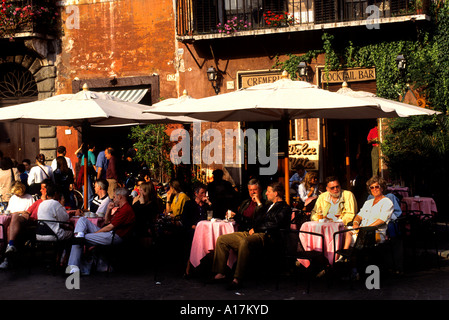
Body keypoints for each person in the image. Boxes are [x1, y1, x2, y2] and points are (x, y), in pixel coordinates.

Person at [212, 181, 291, 289]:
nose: (266, 194)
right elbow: (256, 219)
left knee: (245, 242)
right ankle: (220, 273)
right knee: (222, 239)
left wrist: (257, 228)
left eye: (268, 191)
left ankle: (237, 278)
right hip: (253, 232)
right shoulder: (268, 205)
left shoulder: (284, 208)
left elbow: (274, 224)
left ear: (276, 193)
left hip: (266, 236)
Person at [67, 187, 136, 274]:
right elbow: (107, 221)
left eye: (114, 197)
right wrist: (108, 209)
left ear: (120, 197)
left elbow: (109, 227)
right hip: (111, 233)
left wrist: (94, 234)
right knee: (82, 220)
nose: (113, 199)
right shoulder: (121, 208)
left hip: (115, 236)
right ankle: (79, 237)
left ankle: (72, 268)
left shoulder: (125, 210)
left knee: (80, 239)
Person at [0, 180, 53, 269]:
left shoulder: (50, 202)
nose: (40, 191)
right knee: (10, 226)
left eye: (42, 189)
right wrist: (24, 213)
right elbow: (28, 211)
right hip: (27, 220)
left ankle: (8, 255)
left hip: (35, 224)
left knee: (11, 227)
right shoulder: (38, 201)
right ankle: (10, 250)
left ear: (48, 190)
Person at [340, 176, 393, 252]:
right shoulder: (368, 202)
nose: (374, 189)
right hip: (362, 230)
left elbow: (381, 220)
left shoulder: (387, 202)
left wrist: (365, 229)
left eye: (377, 187)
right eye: (372, 188)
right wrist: (355, 223)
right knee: (340, 231)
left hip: (375, 232)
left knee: (345, 234)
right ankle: (344, 255)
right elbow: (358, 216)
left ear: (382, 188)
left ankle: (345, 256)